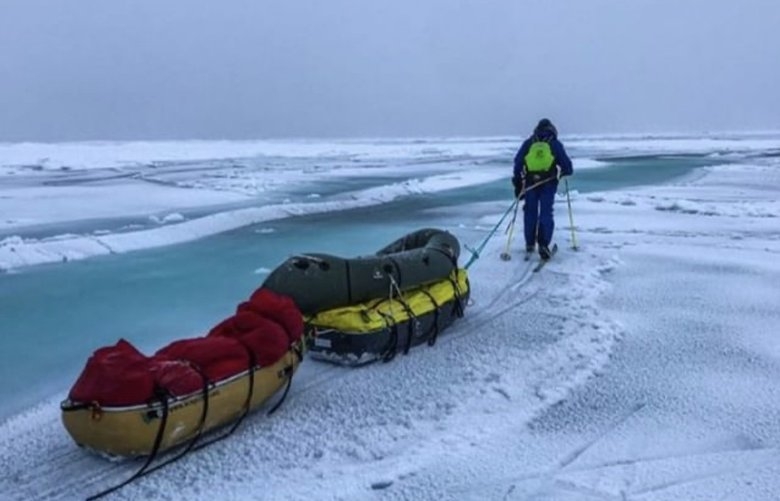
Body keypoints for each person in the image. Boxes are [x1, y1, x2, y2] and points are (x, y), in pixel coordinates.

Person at [512, 118, 573, 260]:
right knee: (546, 212)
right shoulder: (554, 143)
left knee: (530, 212)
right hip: (548, 182)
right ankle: (544, 244)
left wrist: (517, 181)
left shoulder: (529, 143)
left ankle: (529, 244)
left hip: (530, 182)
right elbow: (567, 166)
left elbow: (518, 162)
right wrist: (564, 172)